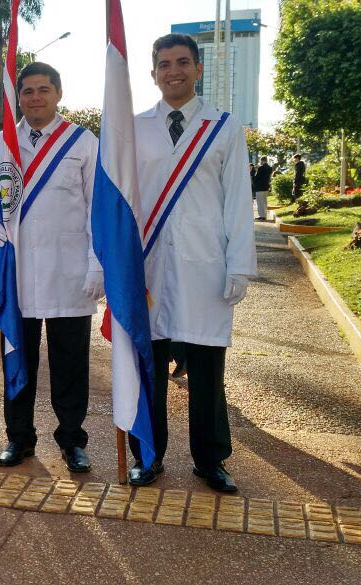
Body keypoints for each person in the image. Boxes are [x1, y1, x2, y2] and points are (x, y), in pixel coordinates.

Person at [127, 34, 257, 493]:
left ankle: (210, 459)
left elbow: (239, 201)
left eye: (183, 62)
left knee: (206, 369)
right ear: (153, 73)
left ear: (198, 69)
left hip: (206, 264)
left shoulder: (224, 127)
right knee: (149, 366)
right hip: (148, 266)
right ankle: (149, 454)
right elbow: (121, 201)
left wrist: (239, 264)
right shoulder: (134, 126)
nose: (173, 71)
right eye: (164, 64)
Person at [0, 62, 101, 471]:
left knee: (70, 363)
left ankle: (72, 440)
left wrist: (95, 264)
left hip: (69, 272)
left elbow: (96, 208)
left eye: (43, 89)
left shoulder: (83, 142)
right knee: (18, 357)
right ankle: (19, 438)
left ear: (59, 93)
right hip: (18, 276)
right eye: (27, 91)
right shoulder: (0, 144)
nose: (35, 97)